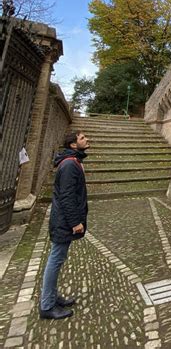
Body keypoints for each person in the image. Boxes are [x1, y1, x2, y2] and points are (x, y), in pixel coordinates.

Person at [39, 130, 89, 319]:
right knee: (56, 260)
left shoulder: (72, 162)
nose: (87, 139)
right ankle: (47, 306)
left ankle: (51, 297)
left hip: (62, 220)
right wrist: (75, 222)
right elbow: (67, 196)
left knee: (57, 258)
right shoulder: (69, 165)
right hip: (63, 221)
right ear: (73, 145)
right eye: (82, 138)